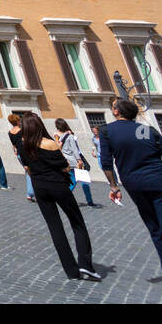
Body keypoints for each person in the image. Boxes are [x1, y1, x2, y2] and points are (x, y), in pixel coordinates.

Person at [100, 98, 162, 300]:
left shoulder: (107, 131)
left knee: (156, 229)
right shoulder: (145, 131)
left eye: (113, 106)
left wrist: (114, 187)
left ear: (116, 112)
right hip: (161, 184)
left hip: (135, 186)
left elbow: (106, 163)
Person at [22, 112, 101, 282]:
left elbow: (27, 167)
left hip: (39, 188)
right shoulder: (50, 143)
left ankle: (71, 271)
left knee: (55, 228)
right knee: (77, 222)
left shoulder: (24, 145)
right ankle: (85, 265)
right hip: (57, 186)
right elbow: (65, 167)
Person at [55, 118, 96, 208]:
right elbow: (74, 149)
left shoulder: (60, 137)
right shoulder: (70, 136)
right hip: (74, 161)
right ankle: (88, 200)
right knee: (80, 180)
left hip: (67, 161)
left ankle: (64, 197)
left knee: (71, 180)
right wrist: (79, 160)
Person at [7, 113, 36, 201]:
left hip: (19, 155)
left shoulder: (10, 132)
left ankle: (29, 193)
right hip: (26, 153)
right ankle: (33, 193)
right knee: (33, 172)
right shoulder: (22, 131)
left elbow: (14, 145)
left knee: (28, 172)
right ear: (17, 121)